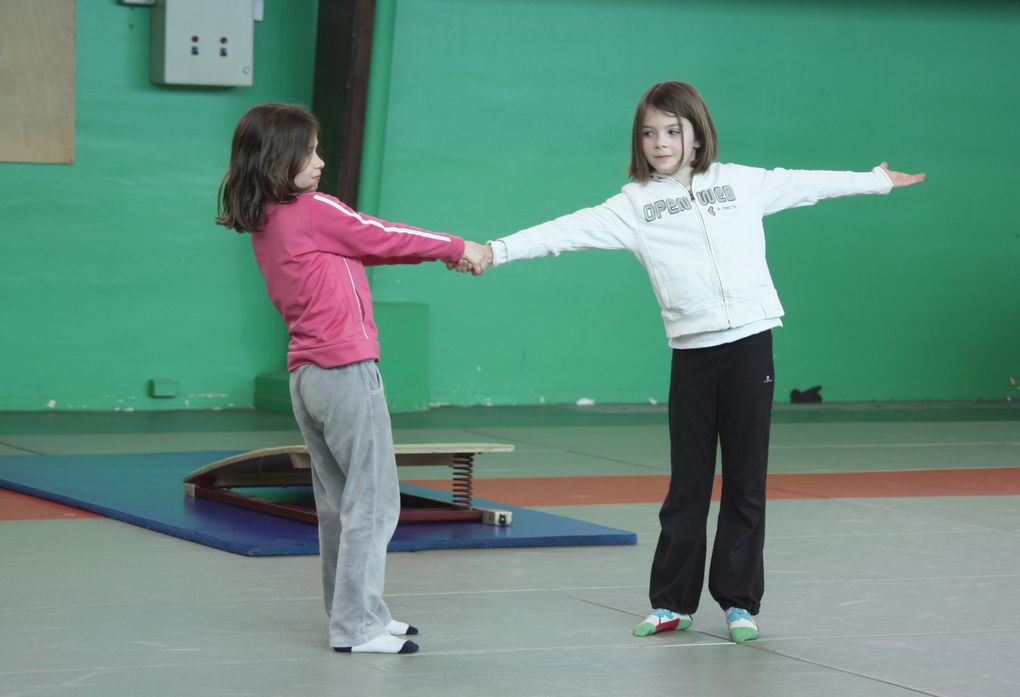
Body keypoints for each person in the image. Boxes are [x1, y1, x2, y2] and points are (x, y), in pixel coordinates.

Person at [464, 81, 924, 642]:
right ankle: (672, 603)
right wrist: (496, 250)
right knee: (688, 482)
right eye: (649, 132)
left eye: (672, 130)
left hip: (751, 344)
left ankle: (738, 603)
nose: (660, 142)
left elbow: (807, 185)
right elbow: (566, 231)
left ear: (696, 133)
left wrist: (875, 182)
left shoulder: (740, 183)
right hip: (694, 355)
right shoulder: (633, 205)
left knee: (747, 479)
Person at [217, 102, 487, 654]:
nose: (320, 161)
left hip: (308, 376)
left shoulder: (270, 219)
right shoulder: (311, 210)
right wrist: (458, 248)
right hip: (344, 372)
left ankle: (356, 613)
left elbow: (366, 247)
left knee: (340, 502)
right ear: (278, 157)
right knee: (375, 500)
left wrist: (436, 258)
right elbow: (382, 234)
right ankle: (357, 626)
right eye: (310, 151)